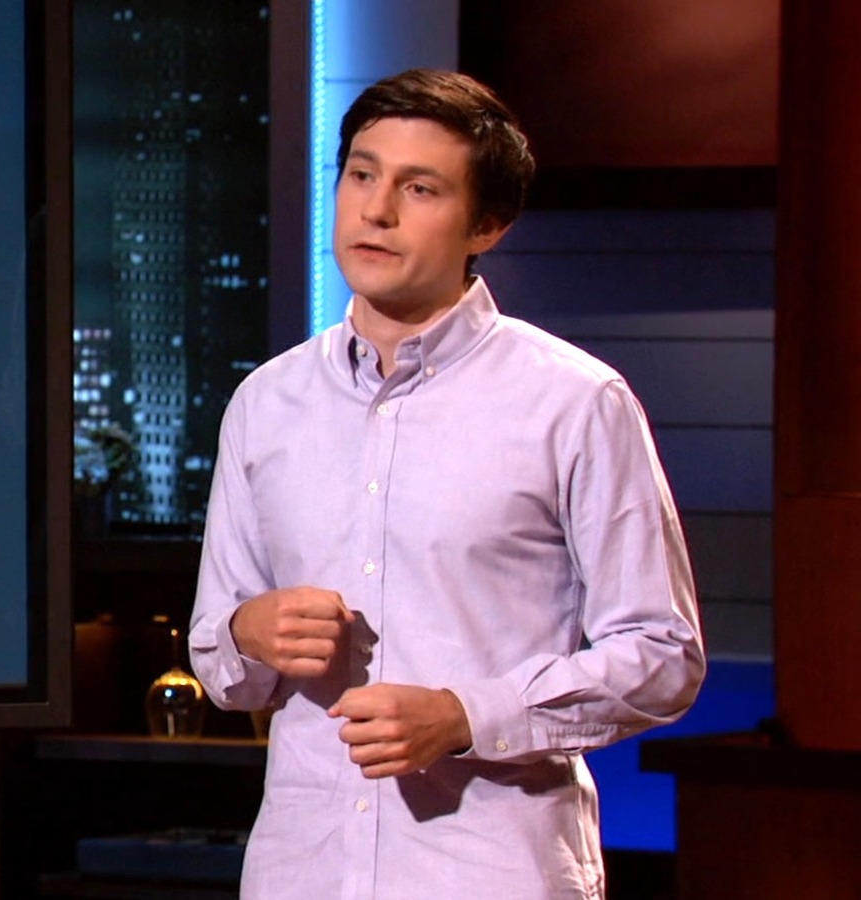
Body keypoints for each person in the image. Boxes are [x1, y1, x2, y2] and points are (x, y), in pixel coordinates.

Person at [188, 68, 705, 899]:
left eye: (419, 188)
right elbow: (220, 661)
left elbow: (661, 654)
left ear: (487, 225)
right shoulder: (266, 402)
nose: (376, 210)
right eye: (362, 175)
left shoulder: (574, 402)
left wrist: (468, 715)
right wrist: (248, 632)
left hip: (492, 871)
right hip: (303, 871)